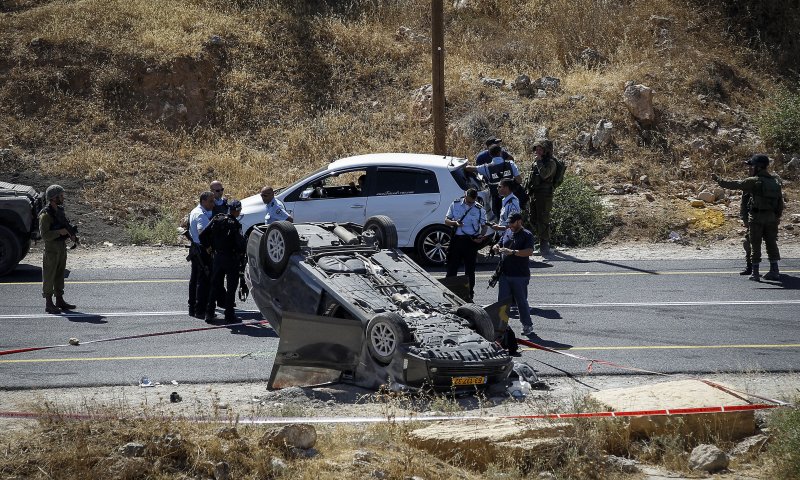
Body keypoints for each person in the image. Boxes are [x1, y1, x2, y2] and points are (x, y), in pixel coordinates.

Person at [712, 154, 784, 281]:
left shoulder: (753, 181)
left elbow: (734, 184)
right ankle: (774, 270)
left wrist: (718, 179)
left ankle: (755, 273)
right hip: (771, 218)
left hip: (756, 217)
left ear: (759, 167)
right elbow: (780, 202)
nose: (749, 169)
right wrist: (776, 217)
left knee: (754, 244)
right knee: (771, 243)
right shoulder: (775, 181)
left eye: (752, 166)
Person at [491, 212, 535, 336]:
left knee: (521, 301)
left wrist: (513, 252)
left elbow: (529, 251)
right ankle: (500, 327)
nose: (510, 225)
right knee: (502, 303)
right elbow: (500, 242)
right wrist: (496, 246)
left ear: (519, 221)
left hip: (519, 275)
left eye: (512, 222)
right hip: (505, 274)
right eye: (509, 222)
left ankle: (527, 325)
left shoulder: (527, 235)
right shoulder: (508, 231)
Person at [203, 200, 247, 323]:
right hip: (231, 259)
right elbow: (240, 244)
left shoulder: (217, 219)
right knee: (231, 287)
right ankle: (229, 315)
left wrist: (209, 248)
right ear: (237, 210)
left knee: (215, 286)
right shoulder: (235, 224)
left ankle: (209, 313)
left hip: (217, 257)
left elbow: (203, 235)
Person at [39, 185, 77, 314]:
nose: (62, 198)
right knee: (49, 276)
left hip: (61, 248)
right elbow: (45, 235)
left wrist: (70, 234)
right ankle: (49, 303)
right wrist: (59, 232)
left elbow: (65, 225)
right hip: (51, 250)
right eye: (60, 196)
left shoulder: (60, 211)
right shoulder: (45, 215)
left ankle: (59, 299)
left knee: (60, 275)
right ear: (53, 198)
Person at [444, 188, 487, 301]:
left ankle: (469, 294)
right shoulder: (456, 204)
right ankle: (450, 293)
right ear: (465, 195)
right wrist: (455, 223)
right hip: (457, 240)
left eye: (472, 201)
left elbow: (484, 226)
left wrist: (481, 237)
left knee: (470, 271)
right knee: (452, 268)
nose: (470, 203)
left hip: (471, 241)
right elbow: (446, 221)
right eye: (468, 201)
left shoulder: (479, 209)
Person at [467, 145, 523, 220]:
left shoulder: (486, 168)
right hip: (511, 197)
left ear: (490, 155)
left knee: (500, 219)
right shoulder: (511, 164)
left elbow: (469, 168)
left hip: (497, 199)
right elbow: (519, 180)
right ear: (500, 153)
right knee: (514, 219)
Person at [525, 138, 558, 256]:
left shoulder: (551, 163)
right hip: (534, 194)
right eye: (536, 149)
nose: (537, 151)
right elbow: (530, 178)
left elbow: (545, 175)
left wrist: (539, 162)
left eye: (540, 149)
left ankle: (545, 246)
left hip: (545, 195)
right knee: (532, 219)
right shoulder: (535, 162)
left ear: (546, 151)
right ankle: (541, 241)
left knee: (543, 219)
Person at [188, 191, 215, 318]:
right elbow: (202, 232)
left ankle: (193, 308)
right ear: (203, 201)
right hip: (202, 250)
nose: (213, 204)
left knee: (195, 280)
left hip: (195, 248)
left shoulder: (195, 211)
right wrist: (209, 248)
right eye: (210, 201)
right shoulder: (200, 215)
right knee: (203, 281)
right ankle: (200, 310)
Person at [739, 192, 753, 276]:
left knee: (771, 244)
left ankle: (774, 268)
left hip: (767, 219)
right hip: (754, 219)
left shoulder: (772, 183)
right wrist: (744, 218)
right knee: (749, 243)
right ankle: (751, 267)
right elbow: (744, 203)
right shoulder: (750, 183)